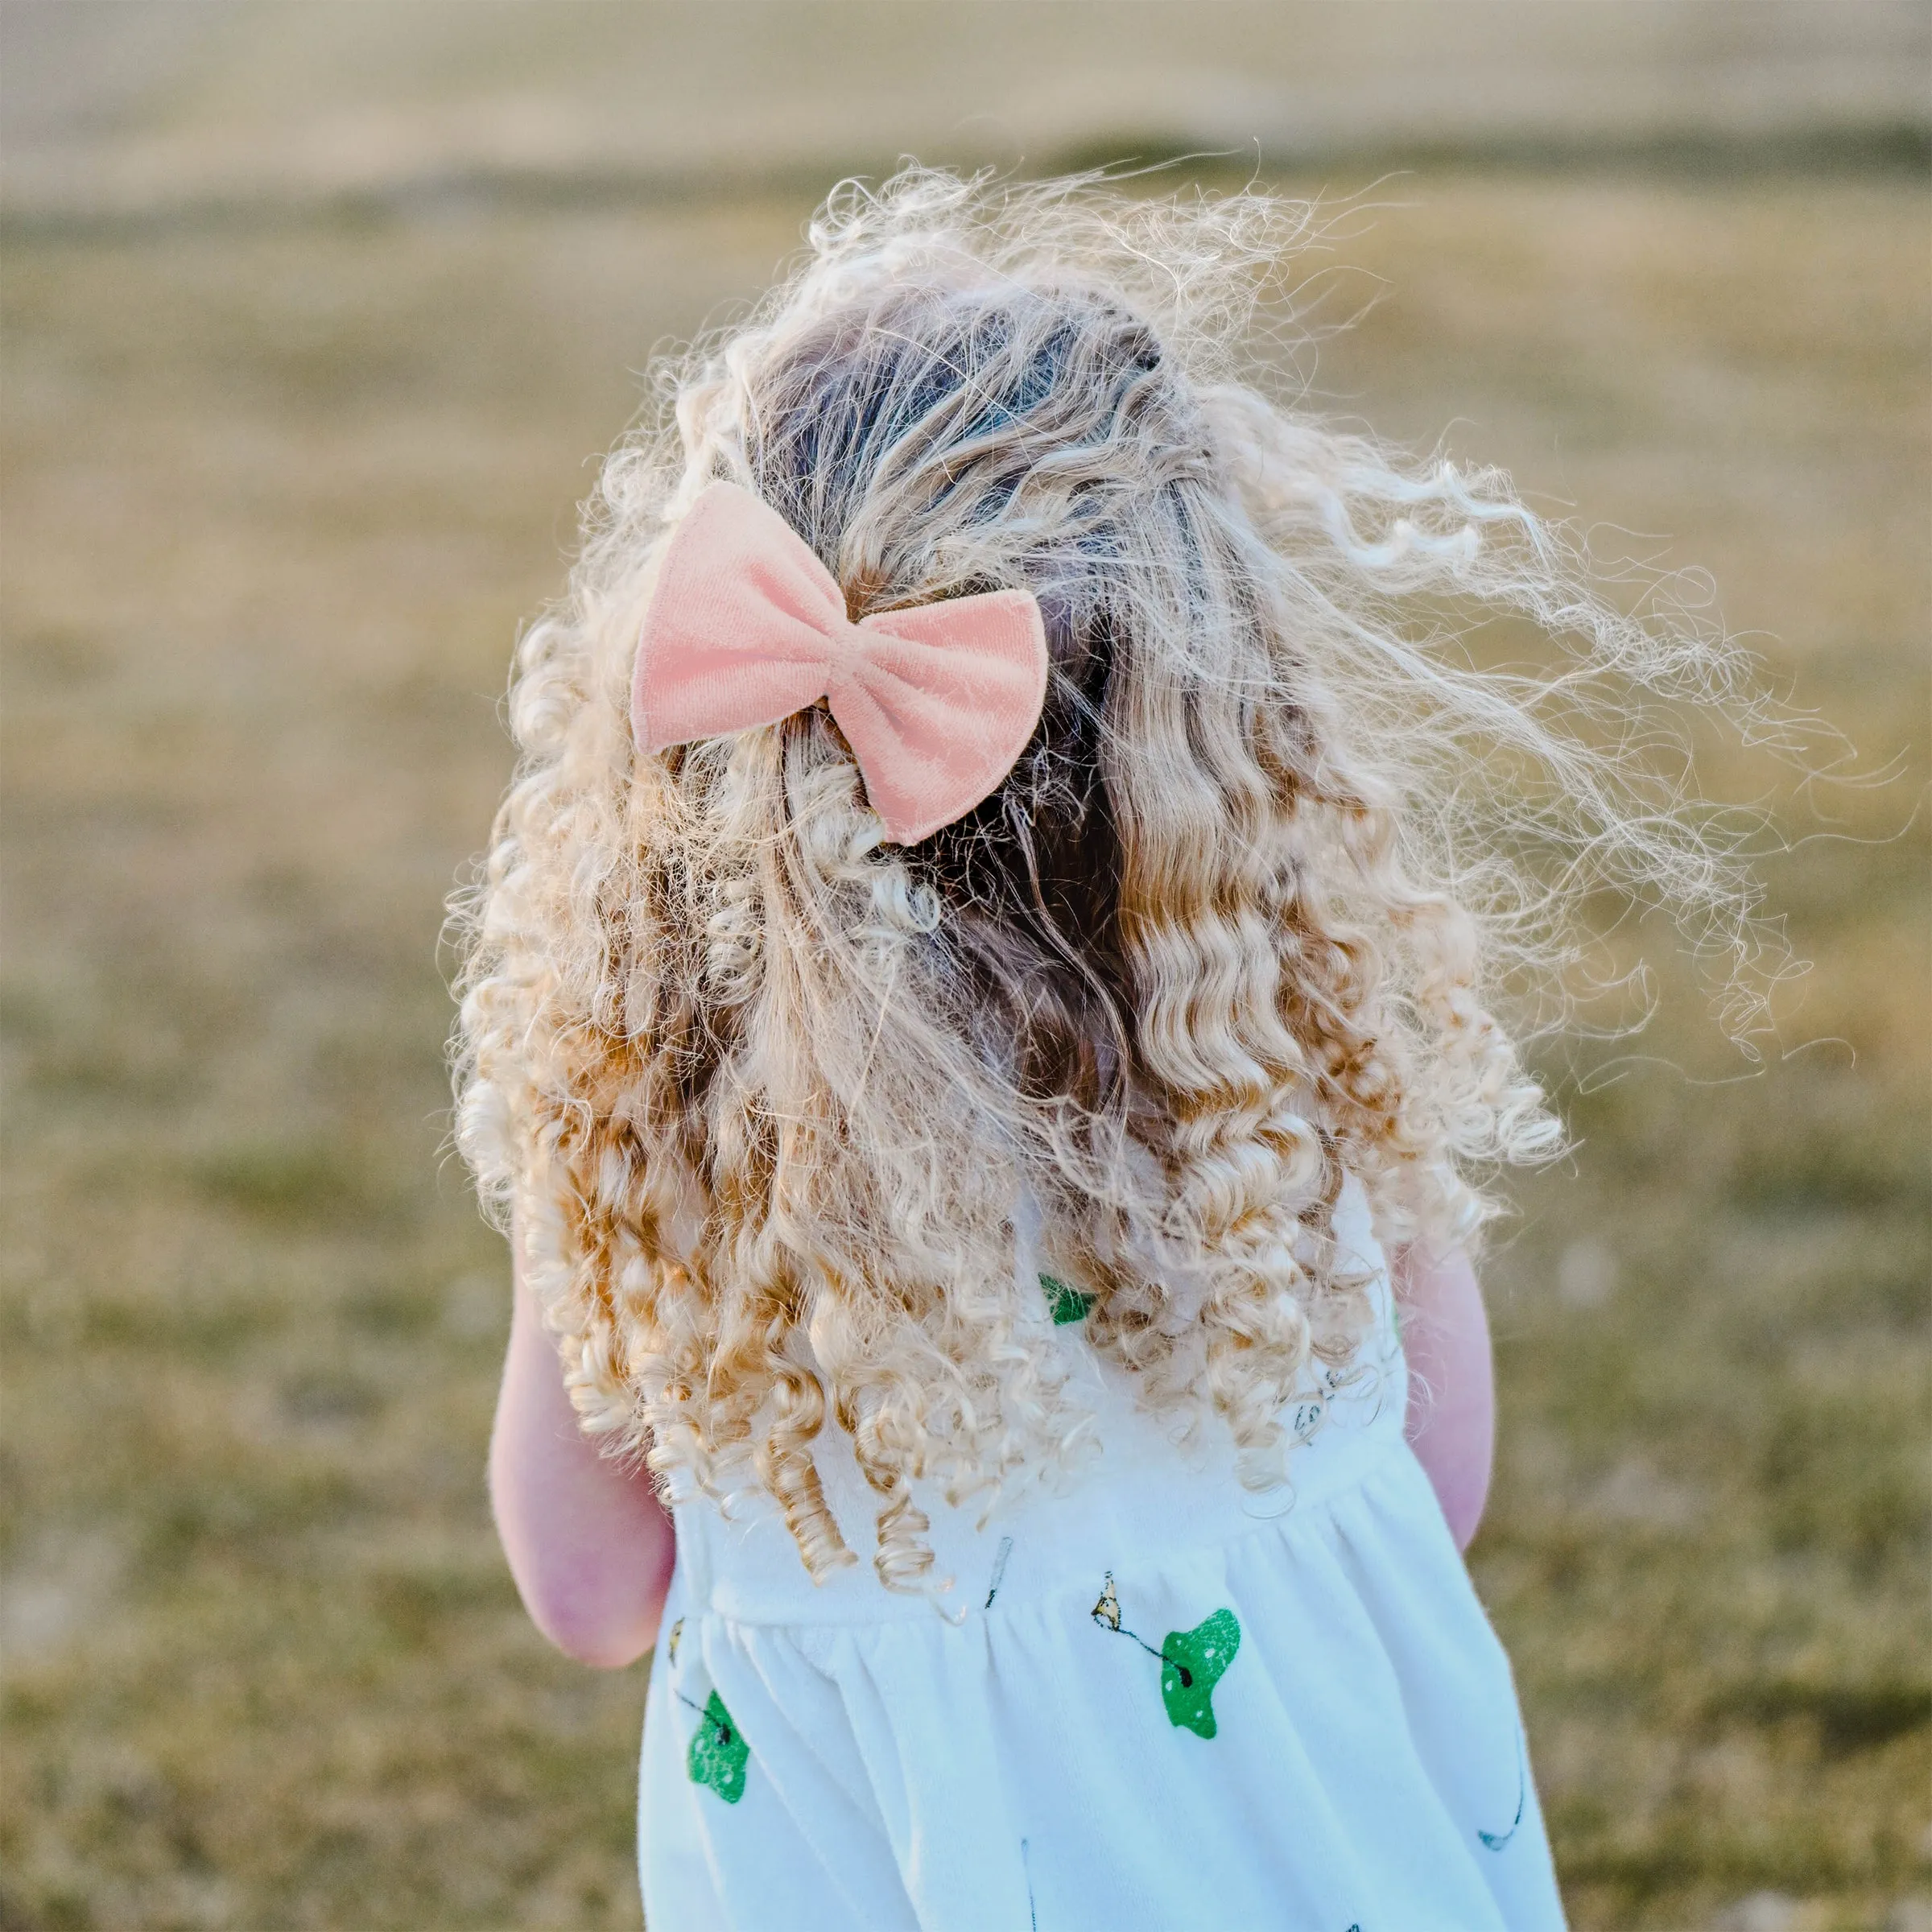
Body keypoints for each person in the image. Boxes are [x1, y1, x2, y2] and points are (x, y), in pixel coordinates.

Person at [453, 168, 1778, 1931]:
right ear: (1211, 725)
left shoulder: (669, 1164)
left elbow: (588, 1583)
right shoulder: (1282, 1077)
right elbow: (1435, 1482)